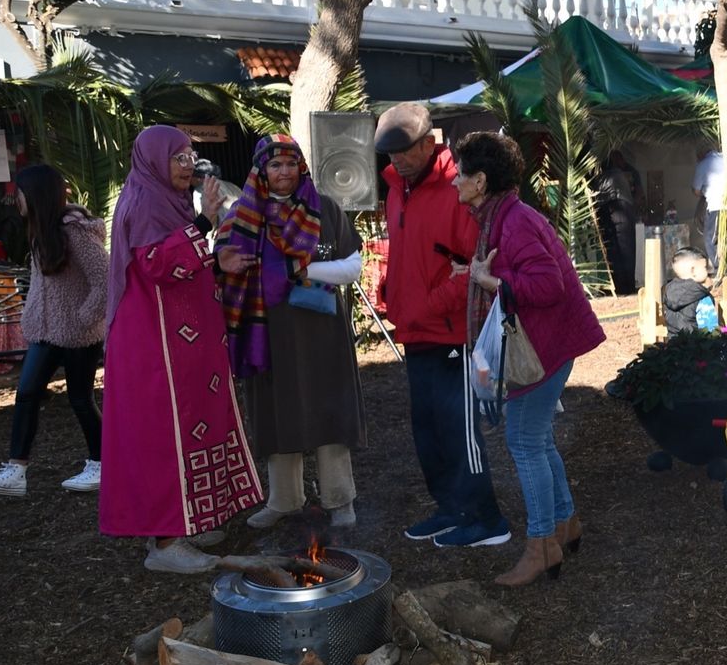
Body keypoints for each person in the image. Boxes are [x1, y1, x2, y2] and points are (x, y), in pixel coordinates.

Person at [100, 126, 262, 572]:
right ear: (154, 160)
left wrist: (214, 256)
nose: (188, 164)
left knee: (189, 426)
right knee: (162, 436)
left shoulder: (165, 201)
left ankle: (191, 515)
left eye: (190, 155)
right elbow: (160, 265)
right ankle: (166, 542)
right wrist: (206, 223)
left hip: (178, 343)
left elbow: (184, 261)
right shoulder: (146, 202)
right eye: (178, 157)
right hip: (154, 349)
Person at [452, 131, 606, 587]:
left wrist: (488, 281)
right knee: (538, 441)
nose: (454, 182)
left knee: (523, 441)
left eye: (460, 174)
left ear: (480, 181)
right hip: (548, 346)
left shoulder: (513, 221)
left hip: (546, 349)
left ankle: (541, 546)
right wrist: (479, 273)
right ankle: (565, 524)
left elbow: (547, 285)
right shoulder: (505, 215)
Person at [374, 102, 510, 548]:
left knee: (460, 427)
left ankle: (487, 519)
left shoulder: (459, 189)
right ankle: (452, 508)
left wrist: (426, 305)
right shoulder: (397, 188)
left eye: (404, 150)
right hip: (416, 331)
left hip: (453, 333)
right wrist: (392, 292)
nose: (395, 160)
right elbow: (412, 251)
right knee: (427, 427)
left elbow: (478, 266)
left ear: (429, 144)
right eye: (389, 152)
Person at [216, 135, 366, 531]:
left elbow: (353, 266)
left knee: (329, 409)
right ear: (260, 171)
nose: (283, 172)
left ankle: (339, 498)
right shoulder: (241, 216)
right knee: (274, 411)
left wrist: (304, 272)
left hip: (320, 333)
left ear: (301, 166)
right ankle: (283, 499)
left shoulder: (325, 209)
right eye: (274, 165)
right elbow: (219, 266)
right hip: (265, 335)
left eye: (290, 164)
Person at [0, 166, 108, 498]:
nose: (16, 200)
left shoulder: (75, 232)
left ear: (36, 195)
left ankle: (101, 462)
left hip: (78, 334)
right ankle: (17, 468)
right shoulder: (38, 231)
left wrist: (83, 318)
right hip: (44, 331)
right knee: (26, 393)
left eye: (21, 193)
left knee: (81, 399)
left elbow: (105, 279)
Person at [595, 150, 642, 295]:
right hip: (621, 208)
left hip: (614, 207)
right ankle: (625, 284)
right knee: (625, 249)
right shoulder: (618, 174)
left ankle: (621, 285)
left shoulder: (608, 175)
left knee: (617, 250)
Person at [663, 246, 719, 333]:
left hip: (674, 344)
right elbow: (710, 329)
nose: (707, 271)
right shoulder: (702, 298)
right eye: (705, 267)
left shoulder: (669, 292)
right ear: (693, 271)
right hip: (698, 344)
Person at [691, 141, 727, 275]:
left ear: (700, 154)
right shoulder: (724, 158)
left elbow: (696, 191)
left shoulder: (702, 165)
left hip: (716, 206)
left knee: (710, 239)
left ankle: (720, 270)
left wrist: (704, 192)